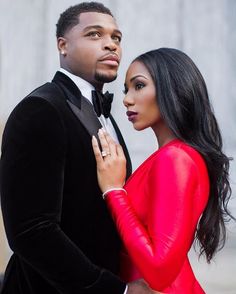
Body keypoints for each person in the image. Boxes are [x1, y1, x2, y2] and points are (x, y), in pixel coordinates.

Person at [0, 2, 156, 294]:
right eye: (95, 35)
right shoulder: (40, 109)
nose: (111, 44)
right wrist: (115, 291)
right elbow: (31, 232)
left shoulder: (106, 115)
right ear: (63, 45)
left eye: (116, 38)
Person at [92, 48, 235, 293]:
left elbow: (159, 271)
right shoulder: (173, 156)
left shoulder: (175, 159)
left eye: (139, 86)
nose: (126, 99)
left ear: (172, 88)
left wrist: (114, 191)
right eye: (127, 89)